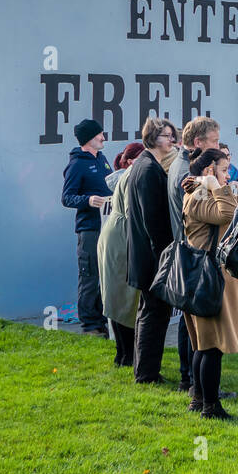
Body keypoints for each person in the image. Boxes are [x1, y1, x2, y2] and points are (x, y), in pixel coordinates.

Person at [180, 147, 238, 420]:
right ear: (209, 171)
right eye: (223, 170)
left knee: (204, 344)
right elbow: (227, 214)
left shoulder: (200, 191)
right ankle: (210, 406)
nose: (228, 175)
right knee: (211, 346)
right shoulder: (201, 194)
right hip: (207, 278)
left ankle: (198, 400)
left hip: (204, 276)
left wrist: (218, 185)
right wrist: (216, 186)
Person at [164, 116, 221, 390]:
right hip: (195, 255)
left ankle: (194, 383)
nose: (218, 147)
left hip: (189, 251)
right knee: (198, 332)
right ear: (198, 143)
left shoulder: (181, 165)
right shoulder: (187, 173)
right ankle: (195, 385)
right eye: (214, 142)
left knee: (193, 327)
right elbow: (218, 214)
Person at [129, 118, 180, 383]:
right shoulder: (148, 168)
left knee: (149, 312)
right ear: (152, 138)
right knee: (154, 314)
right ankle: (147, 374)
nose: (172, 140)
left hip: (147, 255)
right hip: (152, 258)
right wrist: (166, 257)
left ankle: (144, 369)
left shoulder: (145, 165)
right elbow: (153, 220)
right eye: (167, 136)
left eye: (172, 136)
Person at [61, 118, 113, 336]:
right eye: (99, 134)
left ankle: (103, 318)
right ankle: (90, 324)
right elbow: (67, 197)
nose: (103, 138)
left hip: (107, 225)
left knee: (105, 272)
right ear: (89, 139)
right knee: (89, 272)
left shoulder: (102, 159)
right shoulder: (77, 164)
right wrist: (88, 200)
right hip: (89, 227)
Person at [98, 144, 142, 366]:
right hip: (121, 238)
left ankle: (123, 354)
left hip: (114, 237)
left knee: (117, 296)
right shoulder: (132, 177)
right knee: (125, 298)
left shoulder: (123, 177)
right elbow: (134, 212)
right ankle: (126, 355)